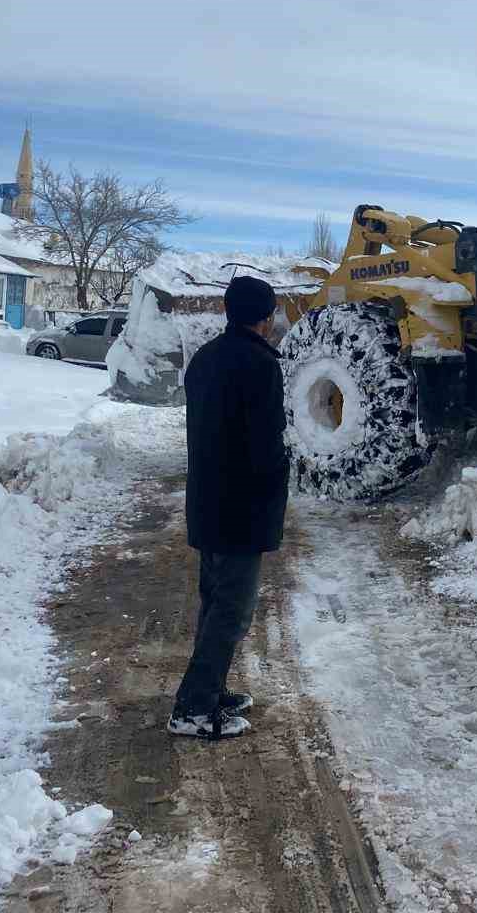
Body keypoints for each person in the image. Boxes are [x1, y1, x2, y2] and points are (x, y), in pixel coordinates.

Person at [167, 275, 290, 739]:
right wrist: (279, 480)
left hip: (208, 499)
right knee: (232, 611)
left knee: (215, 603)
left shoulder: (205, 357)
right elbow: (265, 443)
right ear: (266, 317)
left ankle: (211, 691)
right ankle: (193, 709)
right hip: (242, 505)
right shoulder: (260, 365)